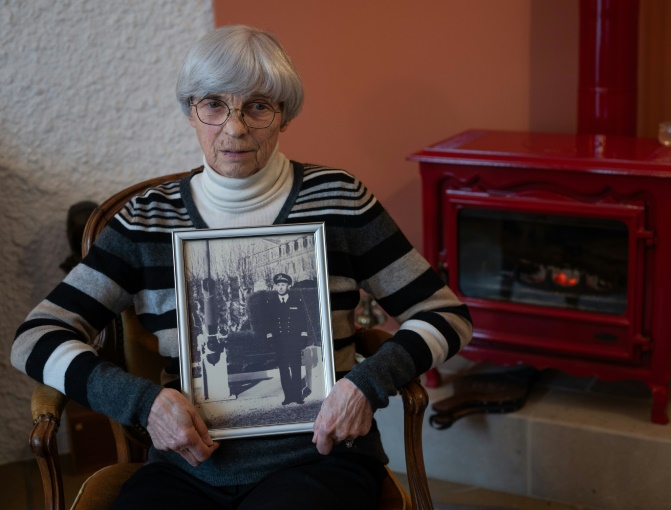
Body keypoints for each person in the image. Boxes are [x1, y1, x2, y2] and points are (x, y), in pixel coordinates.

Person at [11, 25, 473, 509]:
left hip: (319, 458)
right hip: (186, 466)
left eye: (257, 106)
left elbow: (446, 315)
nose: (234, 129)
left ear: (284, 115)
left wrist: (366, 384)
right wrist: (143, 403)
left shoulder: (340, 201)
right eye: (213, 105)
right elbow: (36, 338)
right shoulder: (147, 221)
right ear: (190, 111)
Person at [261, 272, 309, 405]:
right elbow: (267, 322)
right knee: (283, 369)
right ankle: (288, 396)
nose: (281, 287)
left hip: (294, 341)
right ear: (275, 286)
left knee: (295, 368)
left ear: (288, 286)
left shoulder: (296, 301)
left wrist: (303, 335)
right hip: (279, 342)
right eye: (278, 285)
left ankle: (298, 396)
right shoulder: (271, 303)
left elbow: (302, 320)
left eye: (283, 284)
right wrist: (269, 337)